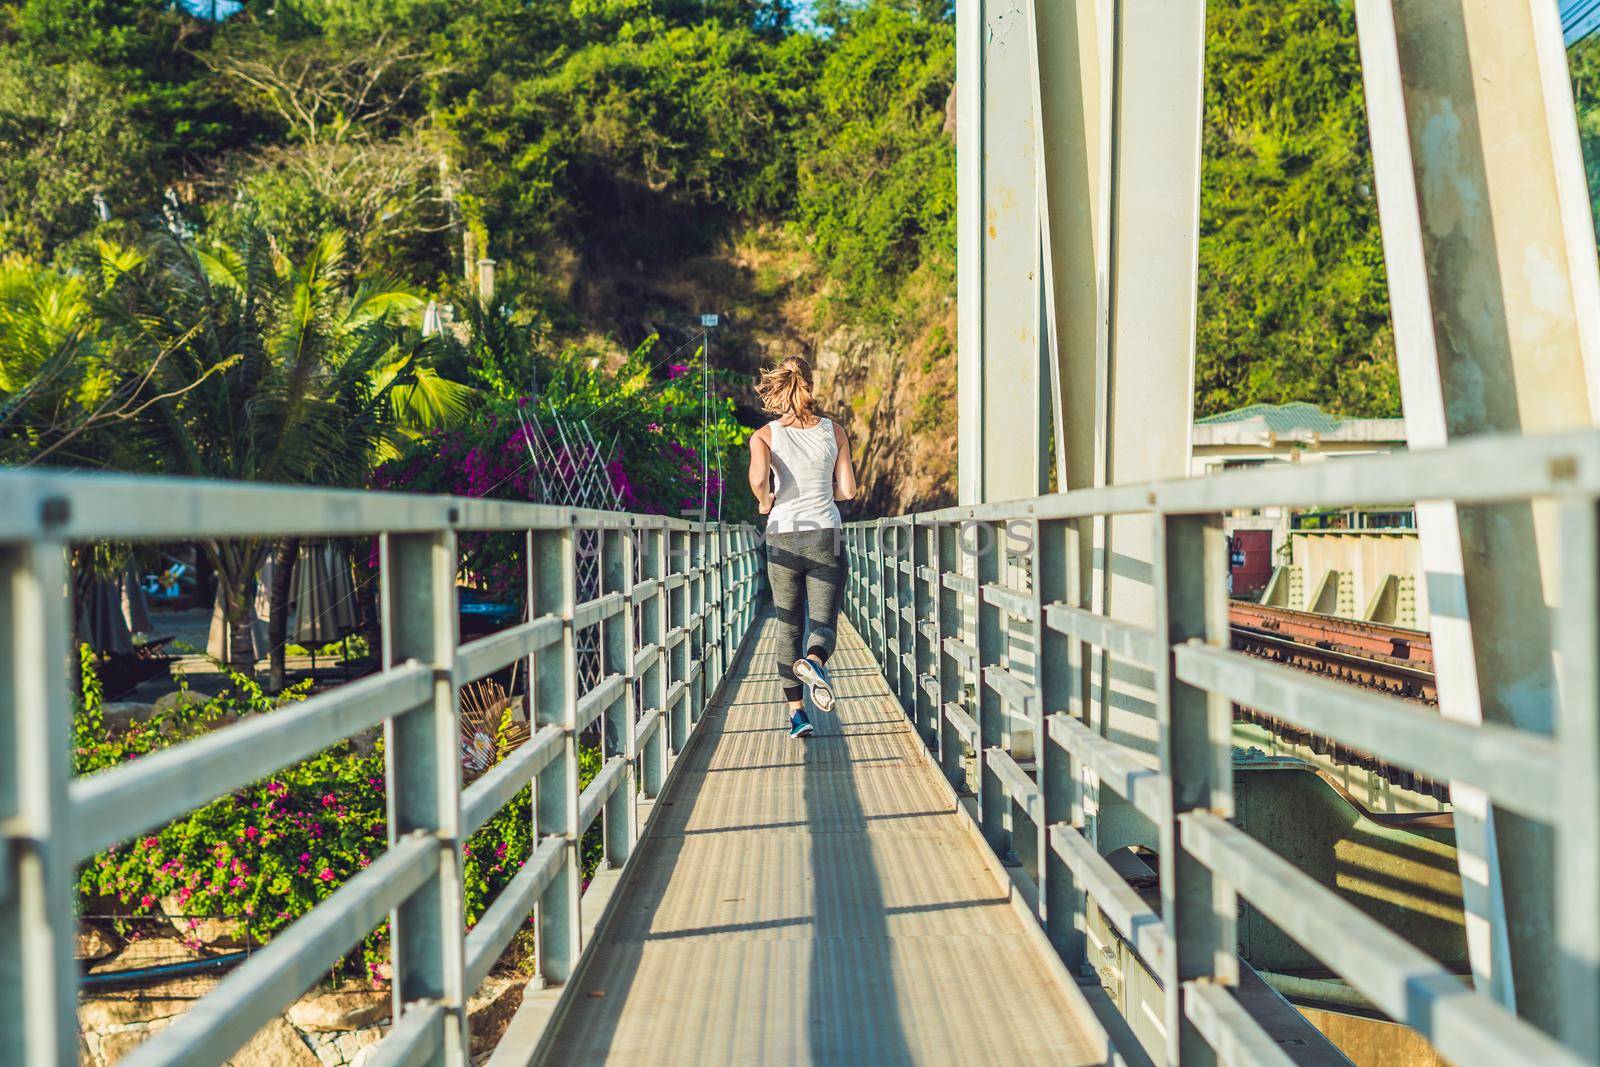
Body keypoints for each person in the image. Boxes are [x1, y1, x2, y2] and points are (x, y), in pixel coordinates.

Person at [747, 355, 857, 738]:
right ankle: (814, 662)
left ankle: (798, 715)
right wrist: (825, 488)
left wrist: (765, 501)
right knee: (822, 623)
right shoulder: (835, 431)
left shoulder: (764, 435)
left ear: (779, 387)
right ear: (812, 384)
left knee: (787, 625)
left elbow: (759, 479)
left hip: (782, 536)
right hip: (826, 533)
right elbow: (848, 491)